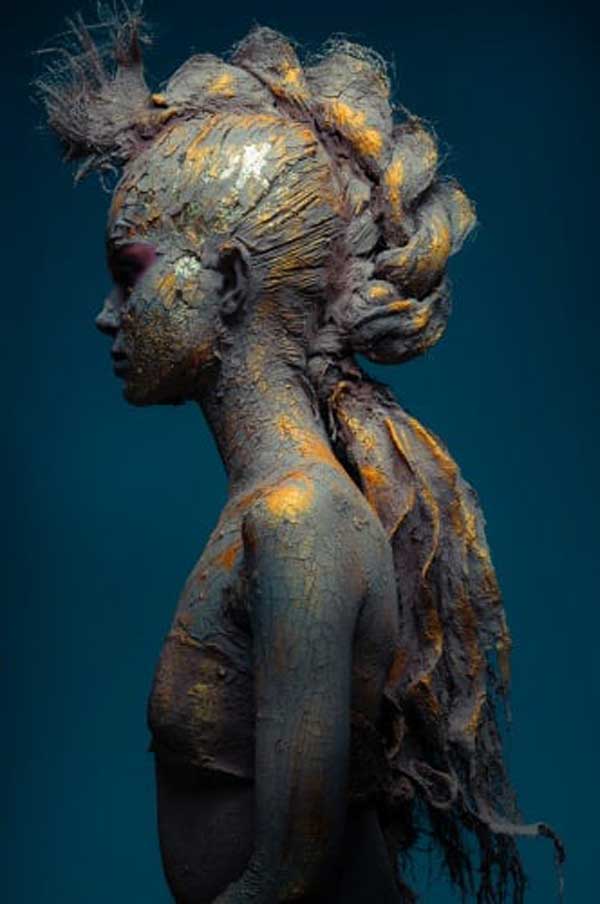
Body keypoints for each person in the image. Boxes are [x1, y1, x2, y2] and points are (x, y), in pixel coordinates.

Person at [37, 8, 562, 902]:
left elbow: (290, 873)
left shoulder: (298, 519)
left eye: (131, 273)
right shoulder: (271, 512)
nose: (105, 314)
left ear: (231, 281)